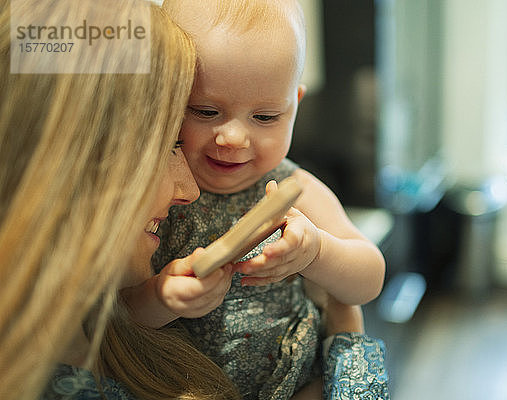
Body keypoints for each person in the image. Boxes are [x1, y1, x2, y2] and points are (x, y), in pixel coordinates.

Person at [126, 0, 387, 398]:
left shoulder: (293, 186)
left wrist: (317, 252)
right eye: (205, 110)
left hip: (296, 380)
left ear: (294, 105)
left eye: (265, 118)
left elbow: (368, 281)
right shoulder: (160, 195)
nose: (233, 138)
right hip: (188, 385)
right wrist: (162, 298)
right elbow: (120, 318)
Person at [0, 0, 240, 399]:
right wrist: (345, 320)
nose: (190, 190)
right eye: (167, 144)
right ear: (70, 158)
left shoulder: (113, 332)